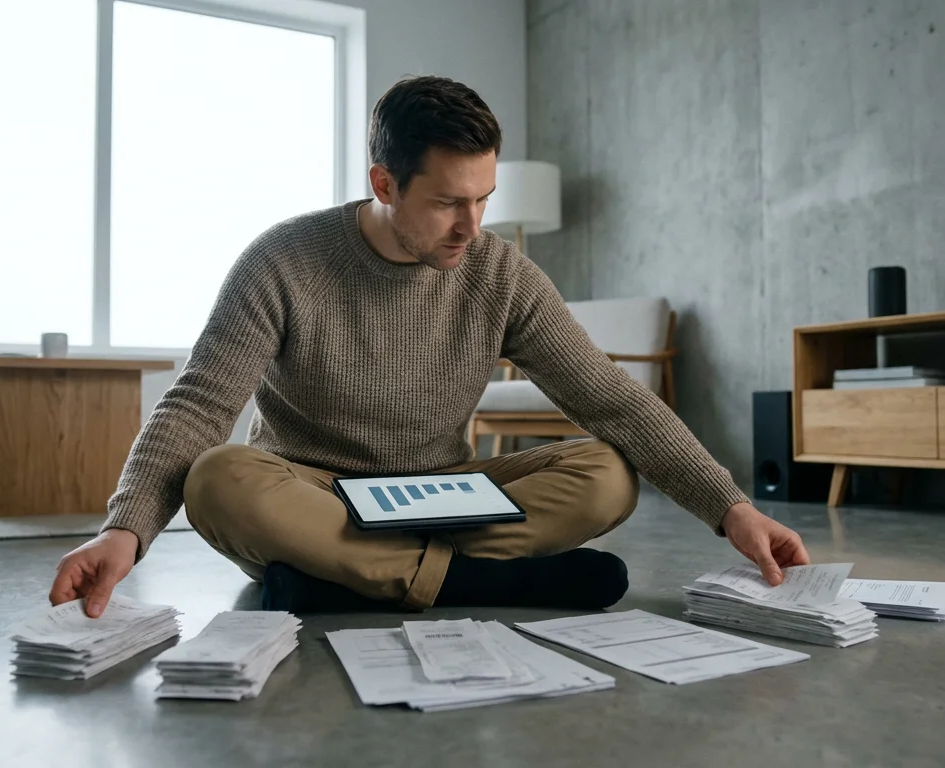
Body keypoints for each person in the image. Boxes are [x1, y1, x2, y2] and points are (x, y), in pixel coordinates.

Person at [49, 75, 809, 618]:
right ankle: (472, 584)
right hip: (315, 502)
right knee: (219, 480)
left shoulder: (498, 272)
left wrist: (731, 509)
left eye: (483, 200)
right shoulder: (283, 260)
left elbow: (612, 400)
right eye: (448, 202)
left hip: (443, 501)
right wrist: (127, 528)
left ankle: (362, 582)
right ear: (384, 183)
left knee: (607, 473)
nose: (471, 227)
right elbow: (201, 402)